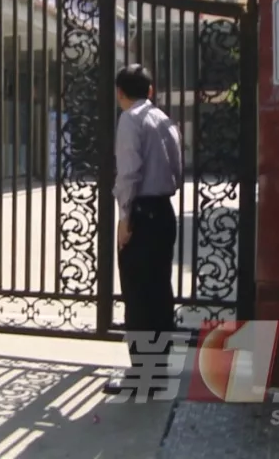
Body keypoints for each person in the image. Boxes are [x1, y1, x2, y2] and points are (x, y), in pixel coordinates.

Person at [102, 64, 182, 397]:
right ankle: (157, 370)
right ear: (150, 91)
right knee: (159, 292)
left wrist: (124, 220)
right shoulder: (164, 120)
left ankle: (142, 377)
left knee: (138, 296)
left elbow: (128, 174)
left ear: (119, 92)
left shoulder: (130, 120)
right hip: (164, 212)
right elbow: (177, 168)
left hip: (142, 215)